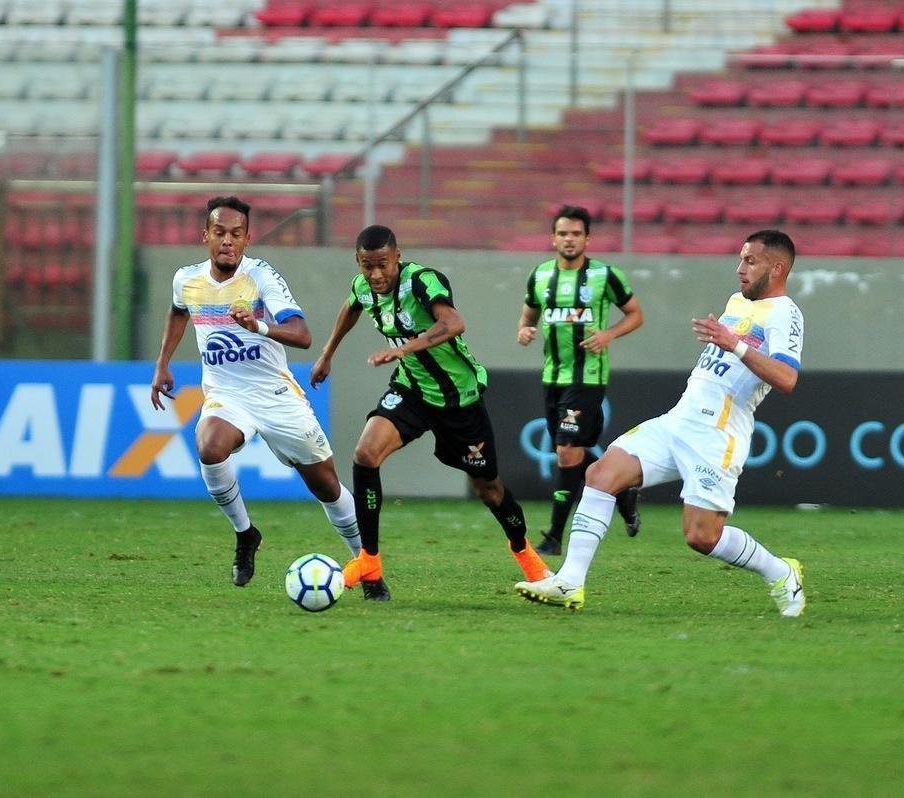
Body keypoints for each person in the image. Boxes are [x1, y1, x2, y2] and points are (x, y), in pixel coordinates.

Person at [516, 229, 807, 616]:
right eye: (740, 259)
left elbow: (787, 378)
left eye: (750, 261)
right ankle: (570, 582)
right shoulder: (738, 301)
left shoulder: (786, 313)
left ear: (778, 268)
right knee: (601, 474)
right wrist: (727, 343)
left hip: (718, 434)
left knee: (702, 537)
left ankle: (781, 572)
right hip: (679, 419)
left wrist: (733, 344)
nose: (740, 268)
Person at [312, 224, 551, 600]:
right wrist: (327, 353)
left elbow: (454, 323)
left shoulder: (421, 282)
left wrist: (403, 349)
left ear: (398, 257)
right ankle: (369, 560)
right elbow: (351, 306)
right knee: (365, 454)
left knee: (489, 489)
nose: (375, 274)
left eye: (383, 264)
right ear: (358, 262)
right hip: (411, 389)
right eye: (367, 266)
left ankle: (527, 557)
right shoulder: (363, 287)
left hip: (458, 398)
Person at [150, 196, 362, 587]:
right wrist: (163, 362)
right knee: (209, 446)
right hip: (227, 393)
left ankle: (366, 564)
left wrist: (258, 327)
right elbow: (179, 310)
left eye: (236, 234)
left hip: (275, 394)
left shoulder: (261, 277)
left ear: (247, 239)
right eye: (219, 232)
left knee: (326, 486)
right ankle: (246, 533)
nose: (227, 241)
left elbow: (302, 335)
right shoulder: (186, 279)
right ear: (205, 236)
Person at [517, 205, 646, 556]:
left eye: (576, 234)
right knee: (570, 454)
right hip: (552, 375)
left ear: (587, 239)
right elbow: (528, 315)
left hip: (587, 376)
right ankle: (622, 492)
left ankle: (554, 537)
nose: (569, 239)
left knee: (566, 451)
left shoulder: (605, 275)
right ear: (553, 238)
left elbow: (635, 314)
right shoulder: (540, 275)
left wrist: (608, 334)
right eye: (563, 233)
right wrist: (524, 330)